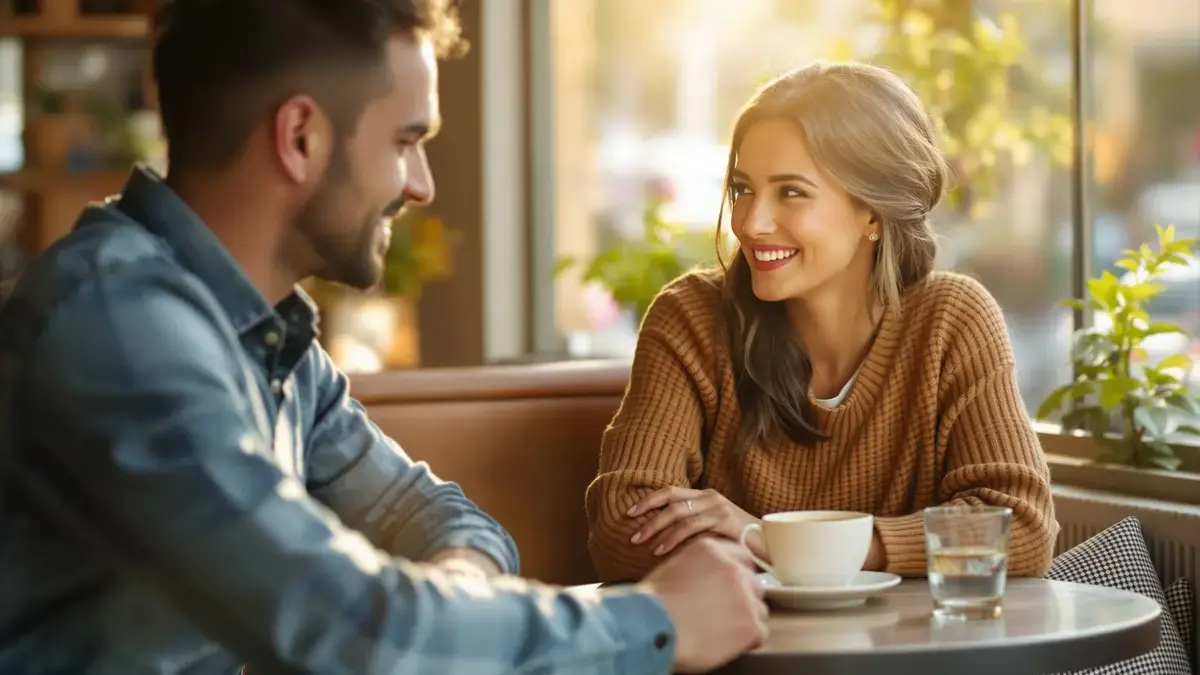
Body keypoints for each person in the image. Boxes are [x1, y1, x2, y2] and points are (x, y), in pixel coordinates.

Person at [0, 1, 768, 673]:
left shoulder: (271, 341)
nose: (422, 184)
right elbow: (347, 628)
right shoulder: (119, 326)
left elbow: (441, 518)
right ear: (300, 136)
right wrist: (660, 621)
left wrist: (450, 604)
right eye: (406, 140)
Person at [586, 61, 1059, 583]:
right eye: (743, 189)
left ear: (873, 214)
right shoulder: (691, 319)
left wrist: (770, 541)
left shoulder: (952, 321)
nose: (751, 222)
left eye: (791, 192)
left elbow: (1020, 528)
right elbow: (622, 529)